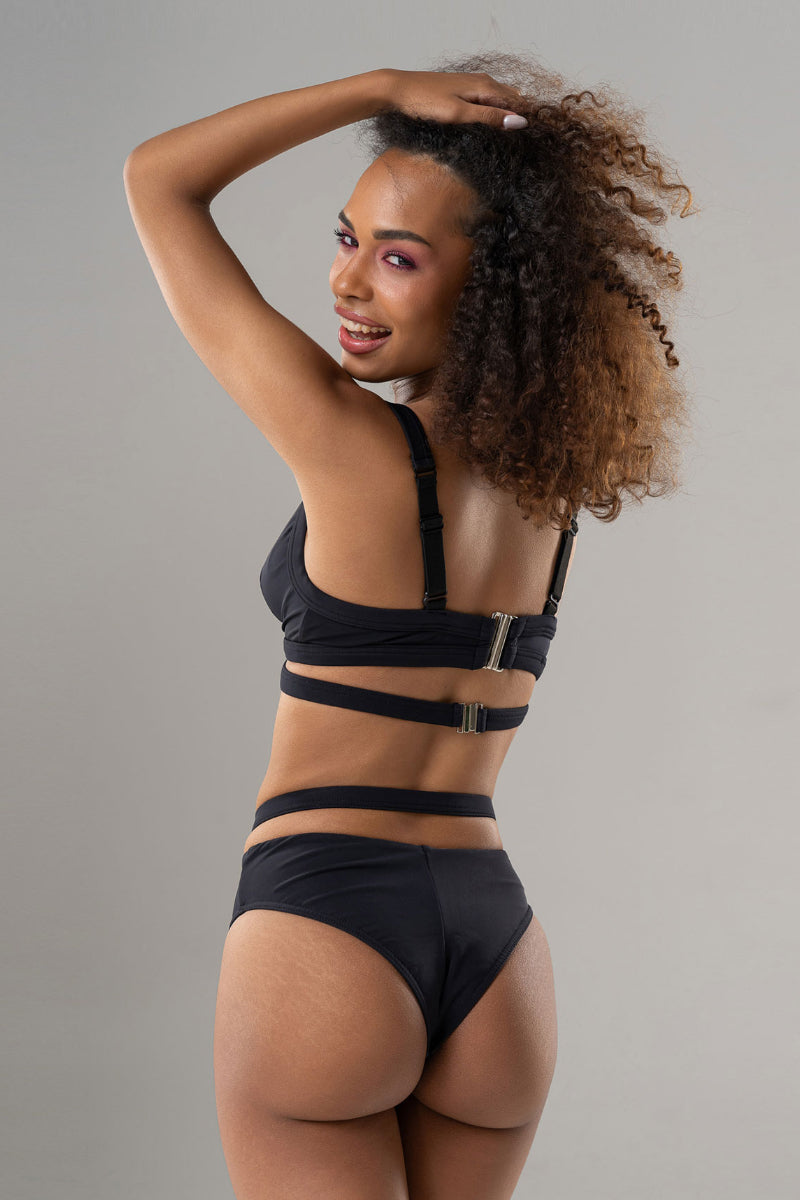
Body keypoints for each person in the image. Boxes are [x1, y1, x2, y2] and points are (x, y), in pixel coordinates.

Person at [124, 51, 694, 1200]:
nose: (345, 284)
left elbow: (157, 181)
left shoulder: (353, 452)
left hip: (327, 921)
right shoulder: (547, 498)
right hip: (496, 955)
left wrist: (378, 89)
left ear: (489, 288)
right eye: (345, 240)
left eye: (396, 258)